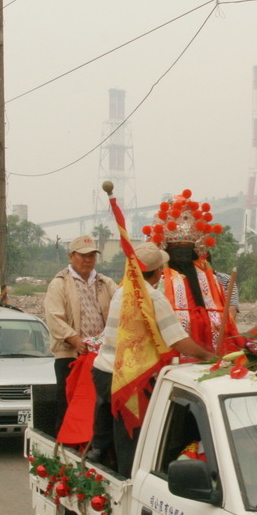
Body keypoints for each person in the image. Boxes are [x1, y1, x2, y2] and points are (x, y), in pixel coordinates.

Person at [87, 242, 215, 477]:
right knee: (131, 439)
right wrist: (209, 355)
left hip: (103, 372)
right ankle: (129, 484)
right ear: (158, 272)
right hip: (128, 380)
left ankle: (101, 471)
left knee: (107, 439)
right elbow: (178, 340)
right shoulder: (153, 298)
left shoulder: (122, 291)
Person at [43, 235, 117, 436]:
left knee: (100, 407)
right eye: (83, 255)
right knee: (68, 406)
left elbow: (122, 305)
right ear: (71, 256)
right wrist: (75, 340)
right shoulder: (59, 284)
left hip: (100, 357)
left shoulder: (105, 282)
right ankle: (64, 452)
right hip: (70, 356)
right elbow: (54, 318)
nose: (88, 260)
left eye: (92, 255)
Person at [143, 191, 234, 353]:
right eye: (177, 251)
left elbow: (224, 317)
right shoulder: (158, 278)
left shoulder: (207, 278)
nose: (183, 257)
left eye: (187, 251)